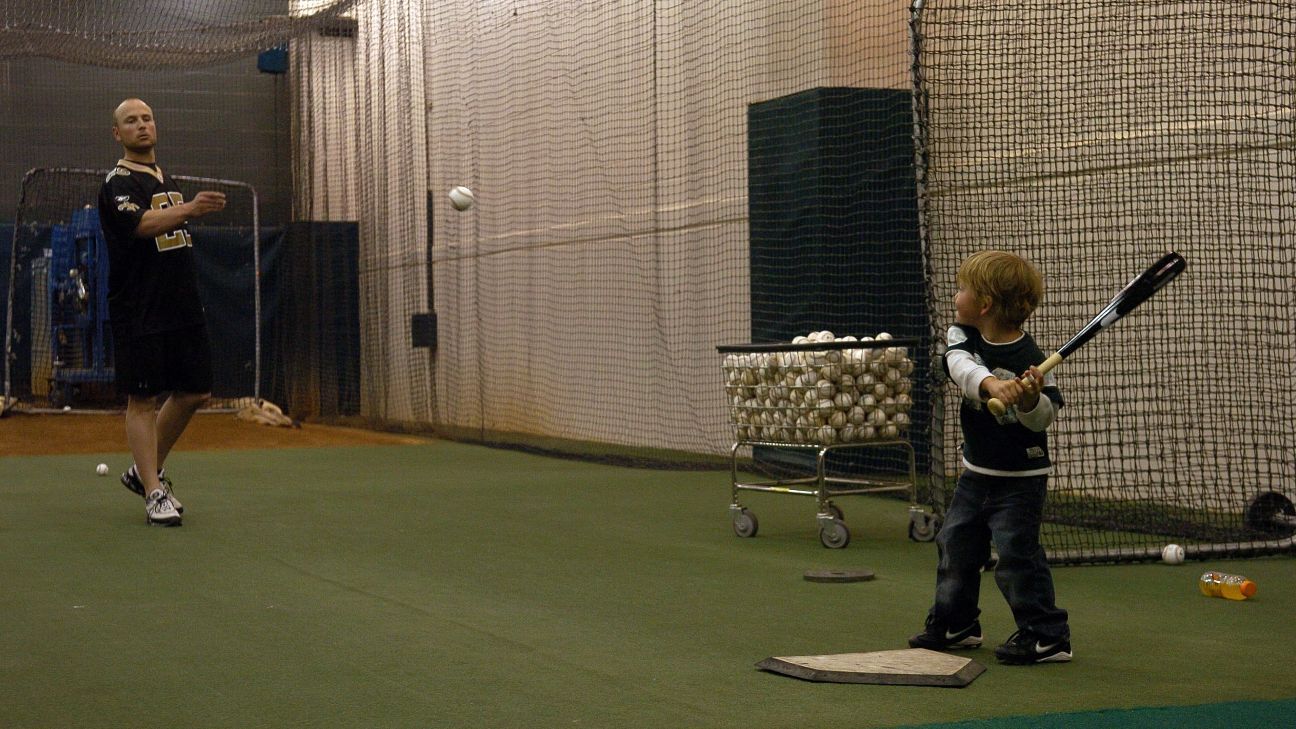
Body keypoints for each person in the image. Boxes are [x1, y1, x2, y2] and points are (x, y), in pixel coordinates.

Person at [908, 250, 1072, 664]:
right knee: (956, 545)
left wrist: (1031, 399)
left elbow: (1042, 420)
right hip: (975, 473)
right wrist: (990, 385)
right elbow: (957, 365)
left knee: (1017, 554)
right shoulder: (963, 337)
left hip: (1020, 478)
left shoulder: (1033, 360)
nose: (955, 294)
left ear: (984, 304)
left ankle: (1046, 635)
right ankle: (957, 622)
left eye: (962, 288)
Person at [97, 98, 226, 526]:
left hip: (181, 304)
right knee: (143, 397)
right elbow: (142, 226)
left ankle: (142, 470)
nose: (141, 126)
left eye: (147, 118)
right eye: (130, 121)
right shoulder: (118, 183)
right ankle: (154, 492)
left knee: (195, 391)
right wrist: (190, 208)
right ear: (118, 134)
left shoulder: (162, 175)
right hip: (140, 307)